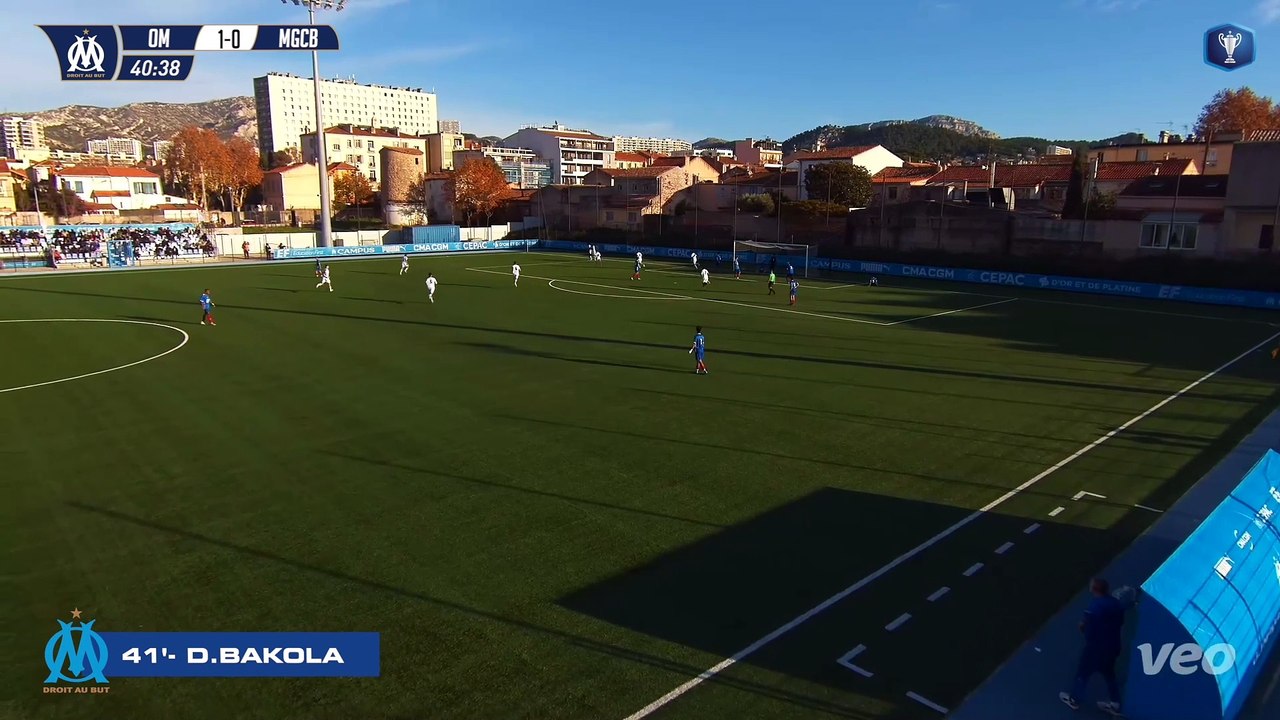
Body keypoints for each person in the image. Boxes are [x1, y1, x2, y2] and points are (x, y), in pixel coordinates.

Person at [1060, 578, 1127, 716]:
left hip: (1096, 649)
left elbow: (1088, 630)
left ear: (1094, 589)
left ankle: (1075, 700)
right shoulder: (1115, 603)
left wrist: (1083, 627)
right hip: (1113, 645)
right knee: (1109, 674)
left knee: (1083, 673)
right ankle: (1115, 704)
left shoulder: (1094, 608)